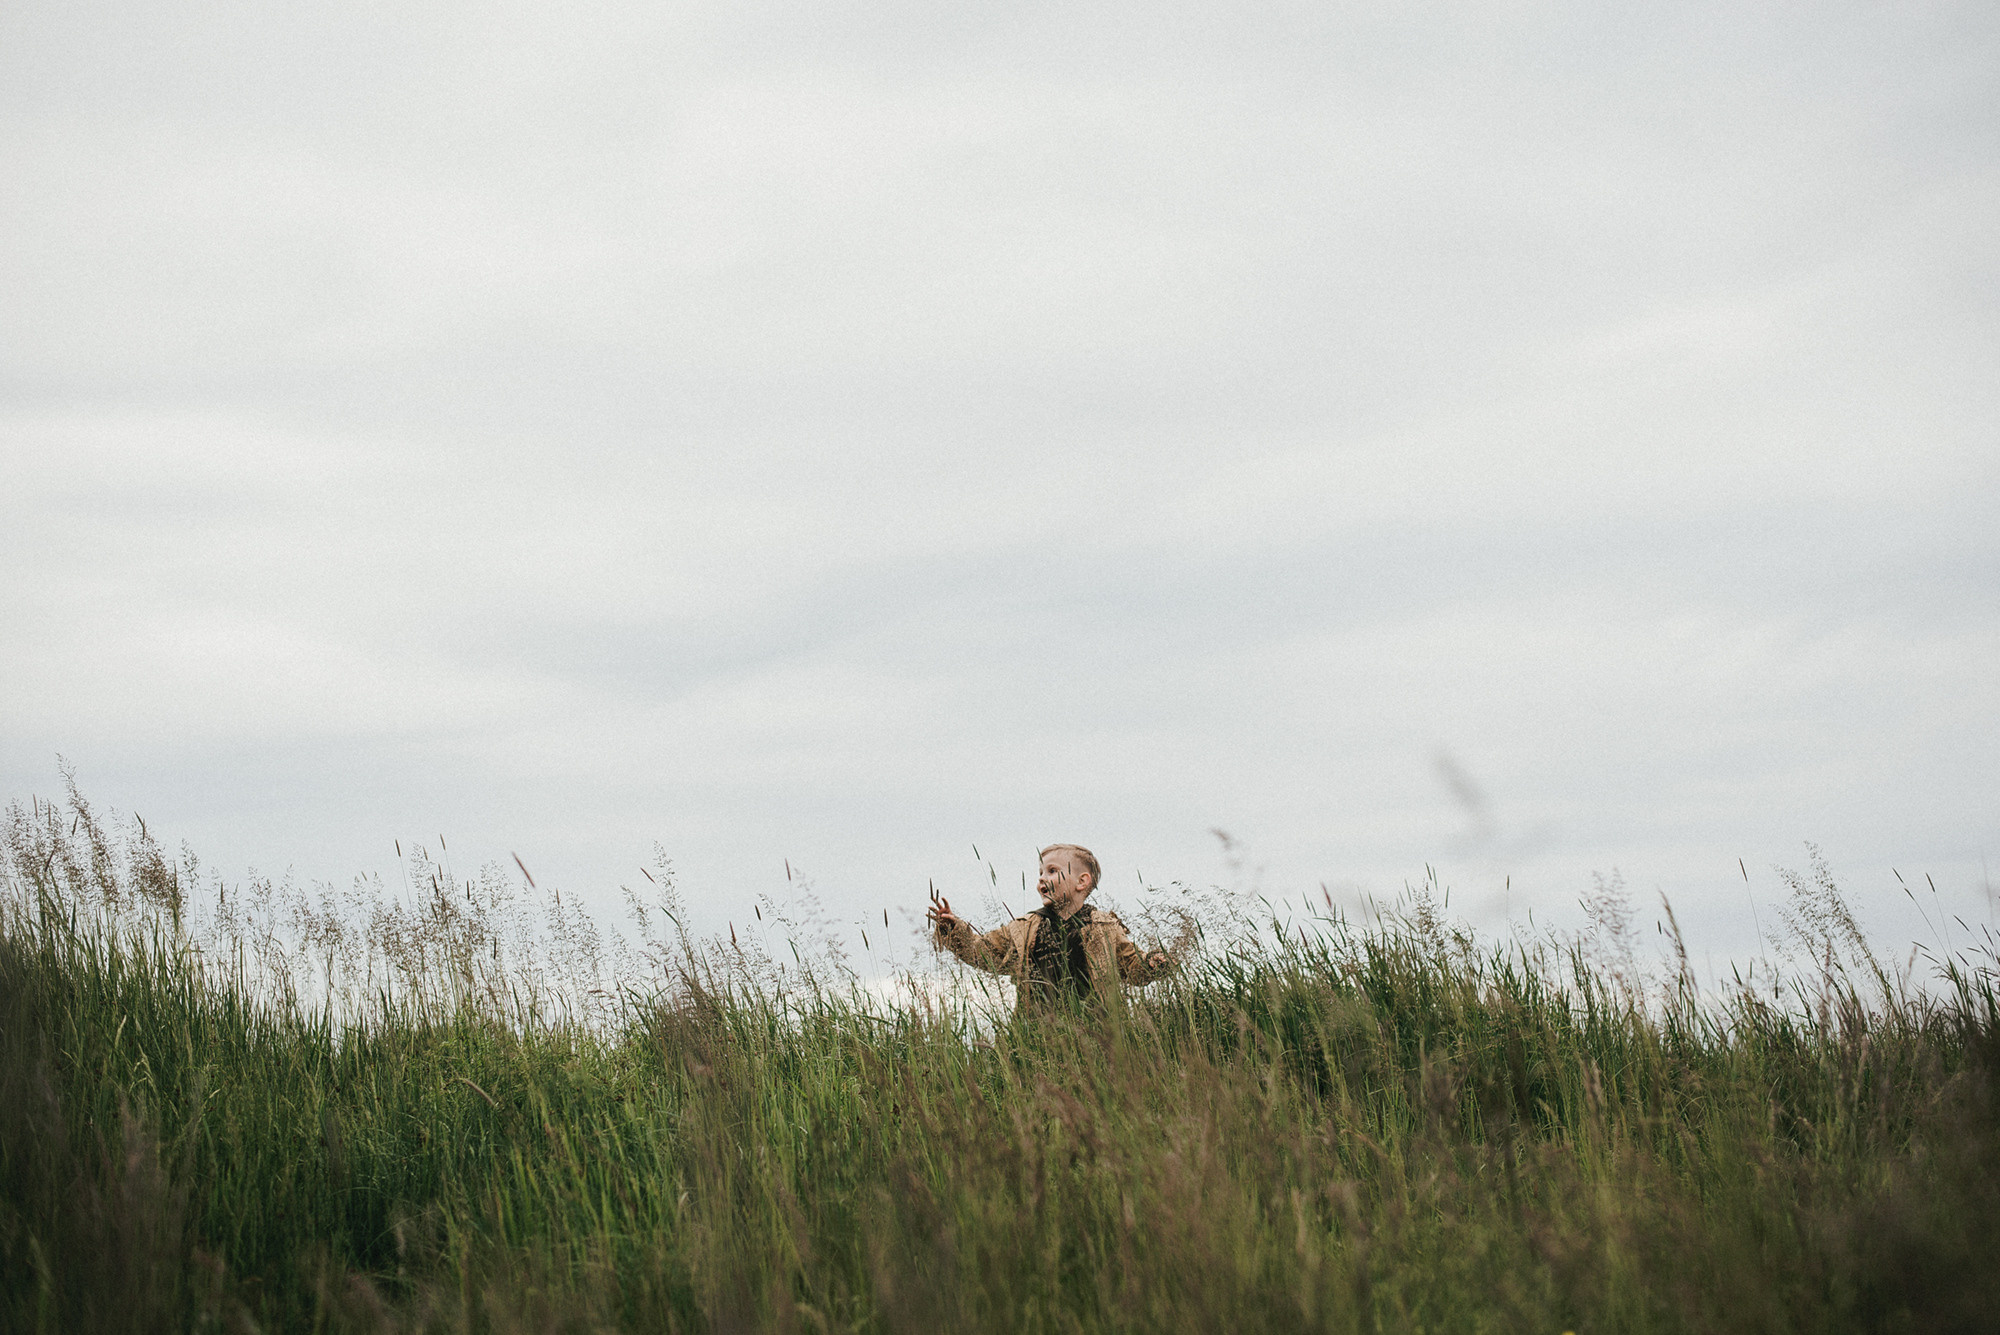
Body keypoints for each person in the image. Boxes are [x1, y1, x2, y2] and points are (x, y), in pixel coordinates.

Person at [927, 843, 1173, 1011]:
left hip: (1096, 1027)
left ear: (1082, 882)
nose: (1042, 878)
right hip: (1039, 1029)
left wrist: (1152, 963)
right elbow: (982, 953)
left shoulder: (1104, 926)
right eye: (1040, 873)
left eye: (1052, 871)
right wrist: (954, 929)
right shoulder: (1024, 929)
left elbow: (1130, 964)